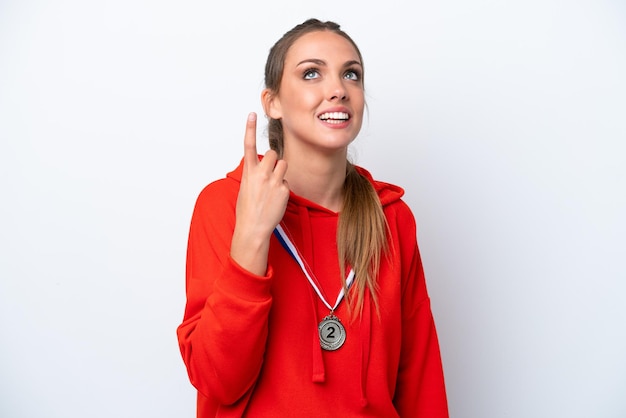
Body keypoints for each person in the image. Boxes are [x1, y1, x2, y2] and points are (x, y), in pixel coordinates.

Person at [177, 18, 449, 417]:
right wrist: (252, 237)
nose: (338, 90)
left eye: (351, 75)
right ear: (273, 103)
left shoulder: (392, 219)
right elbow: (219, 380)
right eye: (311, 73)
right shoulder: (224, 204)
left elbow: (421, 381)